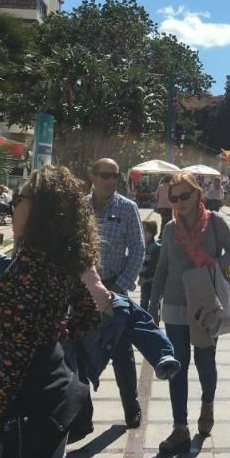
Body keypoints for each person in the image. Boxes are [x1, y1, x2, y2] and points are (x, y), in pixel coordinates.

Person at [0, 167, 96, 458]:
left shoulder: (29, 265)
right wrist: (57, 331)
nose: (13, 207)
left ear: (39, 209)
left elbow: (14, 353)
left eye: (18, 200)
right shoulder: (58, 256)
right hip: (55, 381)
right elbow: (89, 314)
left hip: (29, 394)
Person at [148, 174, 230, 455]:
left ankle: (207, 403)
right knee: (177, 366)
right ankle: (180, 427)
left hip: (205, 305)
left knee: (205, 361)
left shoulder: (214, 223)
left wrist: (212, 264)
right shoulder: (169, 229)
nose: (180, 203)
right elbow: (162, 268)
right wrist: (153, 304)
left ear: (198, 194)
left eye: (184, 196)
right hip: (175, 305)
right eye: (174, 198)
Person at [88, 158, 147, 429]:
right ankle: (80, 414)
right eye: (105, 175)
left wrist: (121, 285)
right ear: (92, 176)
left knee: (121, 352)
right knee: (80, 350)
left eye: (115, 176)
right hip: (84, 287)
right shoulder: (79, 207)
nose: (110, 180)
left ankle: (131, 405)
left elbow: (137, 248)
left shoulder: (127, 207)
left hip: (114, 286)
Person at [139, 218, 161, 310]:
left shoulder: (154, 248)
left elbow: (152, 265)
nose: (141, 233)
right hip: (144, 280)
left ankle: (154, 318)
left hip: (151, 280)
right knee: (143, 300)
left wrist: (144, 277)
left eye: (143, 230)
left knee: (153, 302)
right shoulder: (144, 246)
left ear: (151, 233)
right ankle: (143, 319)